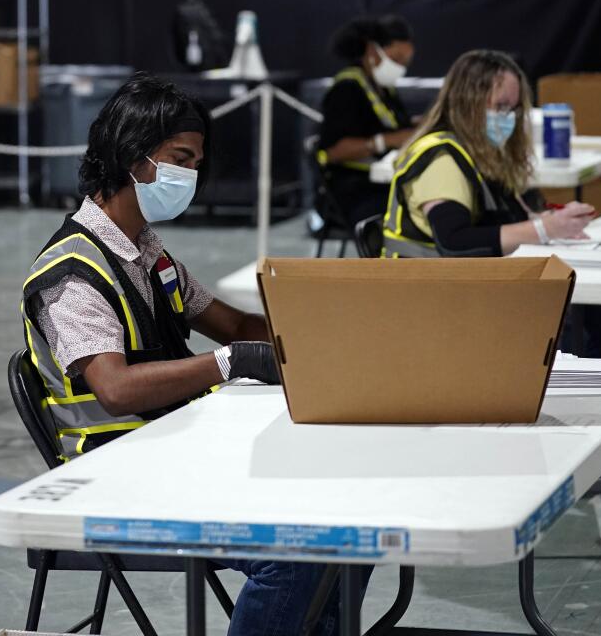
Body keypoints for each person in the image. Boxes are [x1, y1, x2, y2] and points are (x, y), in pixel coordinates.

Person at [21, 74, 365, 635]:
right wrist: (229, 363)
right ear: (132, 156)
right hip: (115, 471)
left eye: (196, 161)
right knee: (297, 553)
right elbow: (115, 389)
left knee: (350, 516)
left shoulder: (146, 250)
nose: (191, 174)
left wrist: (320, 331)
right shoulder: (71, 275)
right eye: (180, 157)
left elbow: (233, 323)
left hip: (171, 447)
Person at [381, 49, 601, 357]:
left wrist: (555, 221)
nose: (508, 118)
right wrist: (543, 229)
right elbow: (454, 241)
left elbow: (510, 216)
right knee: (580, 326)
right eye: (501, 107)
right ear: (469, 101)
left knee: (594, 318)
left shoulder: (478, 151)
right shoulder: (441, 158)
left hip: (468, 284)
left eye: (514, 109)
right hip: (428, 295)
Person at [316, 15, 418, 226]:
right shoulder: (347, 89)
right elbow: (333, 151)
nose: (401, 68)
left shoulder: (384, 89)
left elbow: (400, 128)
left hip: (383, 182)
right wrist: (386, 141)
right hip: (355, 190)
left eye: (405, 63)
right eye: (396, 59)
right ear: (372, 51)